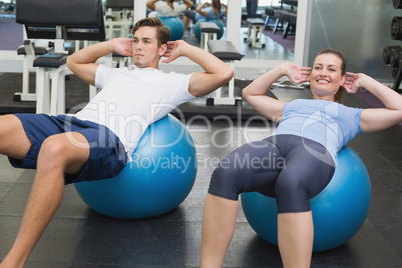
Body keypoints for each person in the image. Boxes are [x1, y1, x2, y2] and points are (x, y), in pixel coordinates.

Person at [0, 17, 233, 268]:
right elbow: (73, 61)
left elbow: (224, 73)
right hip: (71, 123)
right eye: (135, 40)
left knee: (54, 147)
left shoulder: (173, 83)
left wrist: (185, 48)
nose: (138, 46)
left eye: (146, 41)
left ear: (162, 48)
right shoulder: (116, 74)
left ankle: (13, 262)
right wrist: (111, 44)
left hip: (108, 139)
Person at [200, 48, 402, 268]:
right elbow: (250, 93)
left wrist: (366, 82)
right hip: (276, 144)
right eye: (318, 67)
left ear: (343, 79)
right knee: (226, 171)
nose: (323, 72)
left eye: (331, 69)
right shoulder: (291, 107)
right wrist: (282, 69)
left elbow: (399, 108)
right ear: (310, 75)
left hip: (315, 151)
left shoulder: (352, 116)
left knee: (292, 182)